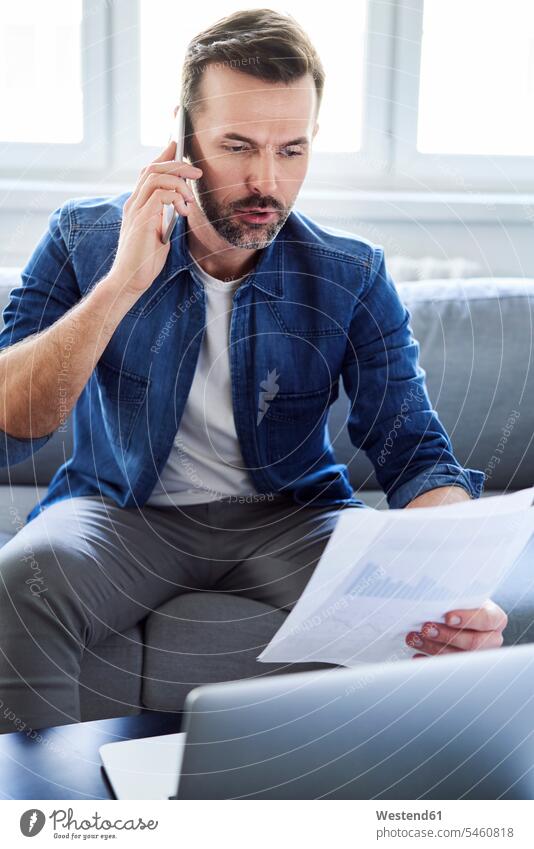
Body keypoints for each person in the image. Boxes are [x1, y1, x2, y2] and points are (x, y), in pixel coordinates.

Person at [0, 9, 506, 734]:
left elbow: (412, 447)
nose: (267, 180)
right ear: (181, 137)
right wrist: (120, 286)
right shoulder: (84, 238)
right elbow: (14, 425)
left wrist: (455, 586)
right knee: (22, 581)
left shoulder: (351, 274)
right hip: (120, 511)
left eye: (291, 150)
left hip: (288, 517)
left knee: (418, 613)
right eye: (237, 145)